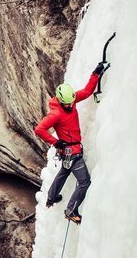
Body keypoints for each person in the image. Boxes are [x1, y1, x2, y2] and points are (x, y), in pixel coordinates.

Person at [34, 62, 107, 224]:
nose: (70, 105)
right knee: (84, 182)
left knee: (64, 172)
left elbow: (87, 92)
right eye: (66, 103)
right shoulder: (56, 114)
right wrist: (56, 142)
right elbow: (39, 129)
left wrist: (96, 73)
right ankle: (71, 210)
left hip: (69, 152)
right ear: (60, 101)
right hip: (71, 152)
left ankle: (52, 197)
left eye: (71, 102)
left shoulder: (71, 100)